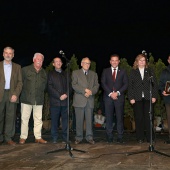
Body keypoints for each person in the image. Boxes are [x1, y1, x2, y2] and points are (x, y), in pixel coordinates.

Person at [128, 54, 158, 143]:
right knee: (139, 118)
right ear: (136, 62)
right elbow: (130, 86)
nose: (142, 62)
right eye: (140, 60)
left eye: (143, 60)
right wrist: (131, 97)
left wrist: (154, 96)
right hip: (137, 98)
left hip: (148, 98)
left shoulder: (150, 71)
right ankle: (140, 137)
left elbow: (154, 85)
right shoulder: (133, 72)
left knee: (148, 118)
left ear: (146, 62)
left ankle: (150, 138)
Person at [19, 53, 47, 144]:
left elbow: (45, 86)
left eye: (41, 60)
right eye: (38, 59)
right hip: (26, 99)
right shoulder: (25, 70)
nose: (39, 61)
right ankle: (23, 137)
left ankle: (38, 137)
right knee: (24, 119)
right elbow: (20, 83)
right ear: (33, 60)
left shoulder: (44, 72)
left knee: (38, 119)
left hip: (38, 100)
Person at [101, 54, 128, 143]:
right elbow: (103, 83)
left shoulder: (123, 71)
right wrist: (111, 93)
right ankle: (109, 136)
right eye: (112, 60)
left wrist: (117, 93)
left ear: (119, 61)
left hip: (119, 98)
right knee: (109, 117)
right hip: (108, 98)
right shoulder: (105, 71)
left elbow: (125, 84)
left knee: (119, 118)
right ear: (110, 61)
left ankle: (120, 136)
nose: (114, 62)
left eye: (116, 60)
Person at [72, 57, 99, 144]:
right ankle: (78, 138)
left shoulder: (94, 74)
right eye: (85, 63)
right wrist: (85, 90)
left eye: (88, 63)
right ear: (81, 64)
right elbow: (74, 85)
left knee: (89, 121)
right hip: (79, 100)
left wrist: (91, 92)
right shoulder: (75, 73)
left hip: (89, 100)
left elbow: (96, 86)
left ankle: (89, 137)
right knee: (79, 120)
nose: (87, 65)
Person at [0, 47, 23, 145]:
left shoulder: (17, 67)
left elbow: (20, 82)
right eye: (6, 53)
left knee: (11, 117)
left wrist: (15, 94)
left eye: (10, 53)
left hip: (12, 94)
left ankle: (8, 138)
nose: (8, 55)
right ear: (3, 54)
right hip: (1, 93)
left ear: (13, 55)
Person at [48, 57, 71, 143]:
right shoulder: (50, 74)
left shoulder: (66, 74)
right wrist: (59, 96)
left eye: (60, 61)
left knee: (65, 121)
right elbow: (49, 87)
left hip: (65, 102)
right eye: (56, 62)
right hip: (55, 102)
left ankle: (65, 137)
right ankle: (54, 137)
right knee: (54, 121)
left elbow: (70, 86)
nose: (58, 63)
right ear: (53, 64)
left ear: (62, 63)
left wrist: (66, 94)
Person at [159, 55, 170, 144]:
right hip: (168, 99)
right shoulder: (164, 71)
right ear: (168, 60)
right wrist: (163, 91)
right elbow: (161, 84)